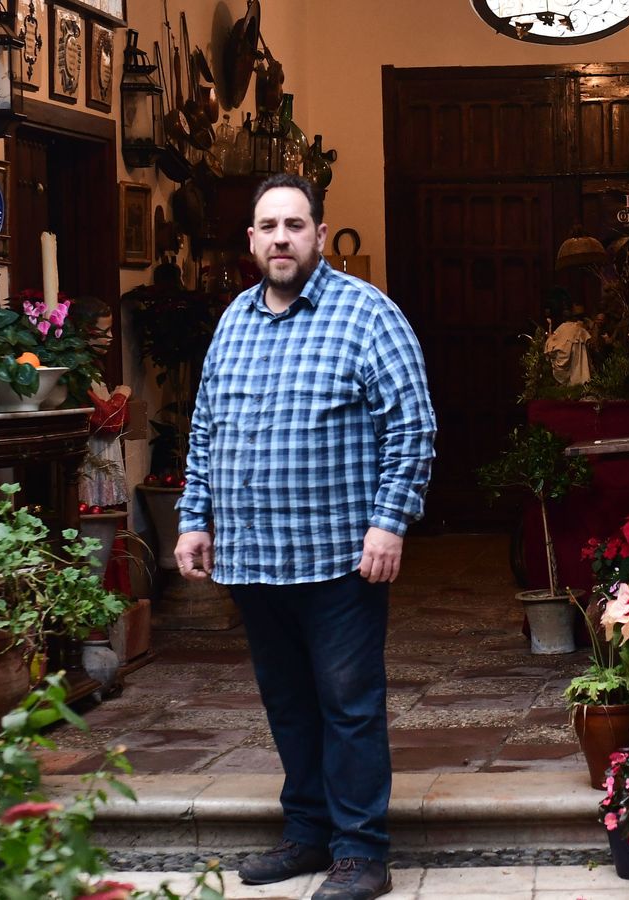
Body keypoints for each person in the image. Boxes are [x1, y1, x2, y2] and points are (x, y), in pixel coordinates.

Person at [174, 173, 436, 900]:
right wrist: (194, 517)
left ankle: (361, 852)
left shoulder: (368, 315)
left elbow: (411, 430)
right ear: (252, 240)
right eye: (269, 226)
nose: (282, 237)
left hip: (338, 556)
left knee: (348, 705)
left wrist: (390, 521)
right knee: (287, 704)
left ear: (321, 234)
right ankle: (307, 834)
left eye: (297, 224)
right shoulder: (233, 320)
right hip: (254, 560)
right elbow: (205, 429)